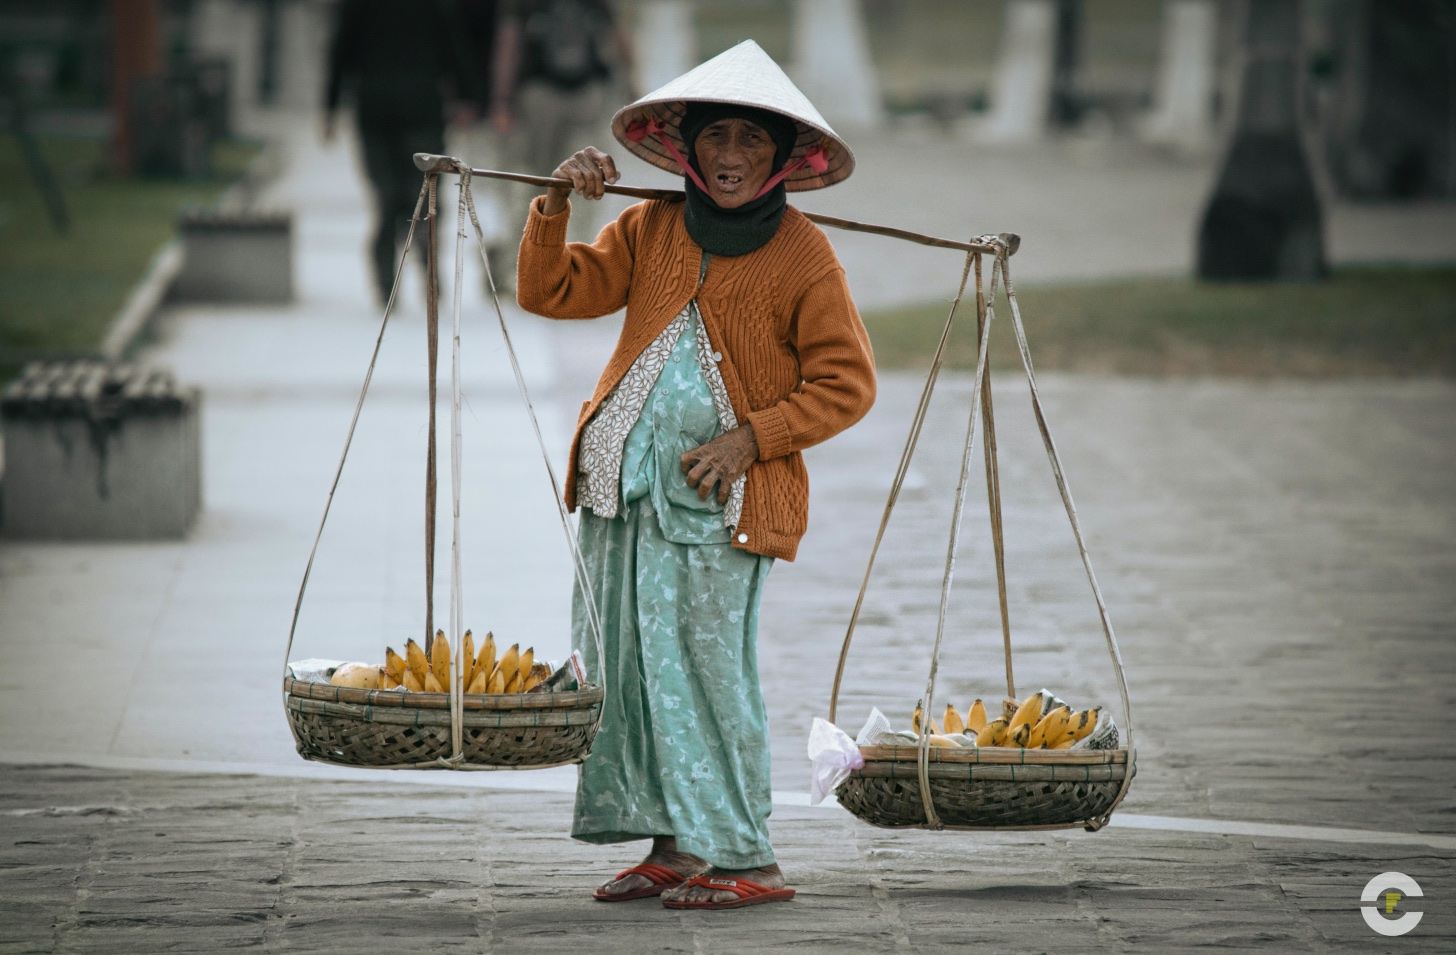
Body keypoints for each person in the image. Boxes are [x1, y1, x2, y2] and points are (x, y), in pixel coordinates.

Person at [515, 41, 875, 910]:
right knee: (629, 669)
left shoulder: (804, 255)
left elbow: (846, 383)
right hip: (623, 494)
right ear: (684, 148)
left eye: (753, 141)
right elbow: (551, 291)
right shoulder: (649, 227)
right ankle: (674, 844)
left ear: (784, 157)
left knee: (709, 674)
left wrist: (752, 440)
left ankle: (746, 853)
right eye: (716, 137)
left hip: (722, 503)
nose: (730, 157)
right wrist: (555, 204)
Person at [324, 0, 482, 305]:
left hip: (376, 106)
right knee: (424, 196)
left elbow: (341, 52)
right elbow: (454, 47)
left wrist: (330, 105)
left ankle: (388, 284)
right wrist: (467, 95)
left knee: (388, 197)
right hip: (420, 106)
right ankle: (428, 275)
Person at [489, 0, 633, 280]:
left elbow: (508, 45)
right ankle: (558, 259)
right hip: (576, 92)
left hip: (544, 94)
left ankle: (528, 262)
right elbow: (618, 38)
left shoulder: (525, 7)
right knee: (577, 180)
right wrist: (632, 86)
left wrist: (502, 100)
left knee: (541, 181)